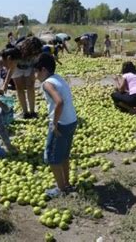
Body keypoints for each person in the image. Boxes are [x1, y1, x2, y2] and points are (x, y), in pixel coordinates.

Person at [34, 53, 77, 198]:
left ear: (43, 70)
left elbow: (59, 102)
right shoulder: (58, 78)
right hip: (72, 121)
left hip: (61, 123)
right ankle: (66, 184)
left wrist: (54, 124)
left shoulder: (47, 84)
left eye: (36, 71)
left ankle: (60, 189)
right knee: (64, 155)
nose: (35, 75)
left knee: (52, 157)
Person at [5, 36, 44, 119]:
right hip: (17, 66)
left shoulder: (38, 50)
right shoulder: (18, 50)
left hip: (30, 66)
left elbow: (37, 64)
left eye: (37, 52)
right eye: (34, 52)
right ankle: (25, 112)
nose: (35, 54)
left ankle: (32, 112)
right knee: (19, 87)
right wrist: (5, 84)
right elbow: (12, 67)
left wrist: (36, 74)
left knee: (30, 86)